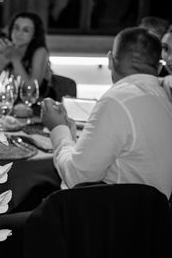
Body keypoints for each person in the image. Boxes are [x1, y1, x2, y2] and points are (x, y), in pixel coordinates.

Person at [41, 27, 172, 199]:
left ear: (110, 59)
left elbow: (77, 178)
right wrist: (71, 139)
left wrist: (58, 129)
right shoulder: (164, 99)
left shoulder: (117, 100)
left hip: (109, 220)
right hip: (153, 220)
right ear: (158, 64)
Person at [0, 11, 52, 97]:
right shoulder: (9, 48)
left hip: (38, 104)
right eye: (16, 28)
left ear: (34, 35)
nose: (19, 33)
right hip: (14, 104)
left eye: (26, 30)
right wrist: (2, 59)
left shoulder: (40, 51)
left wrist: (14, 59)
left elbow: (30, 90)